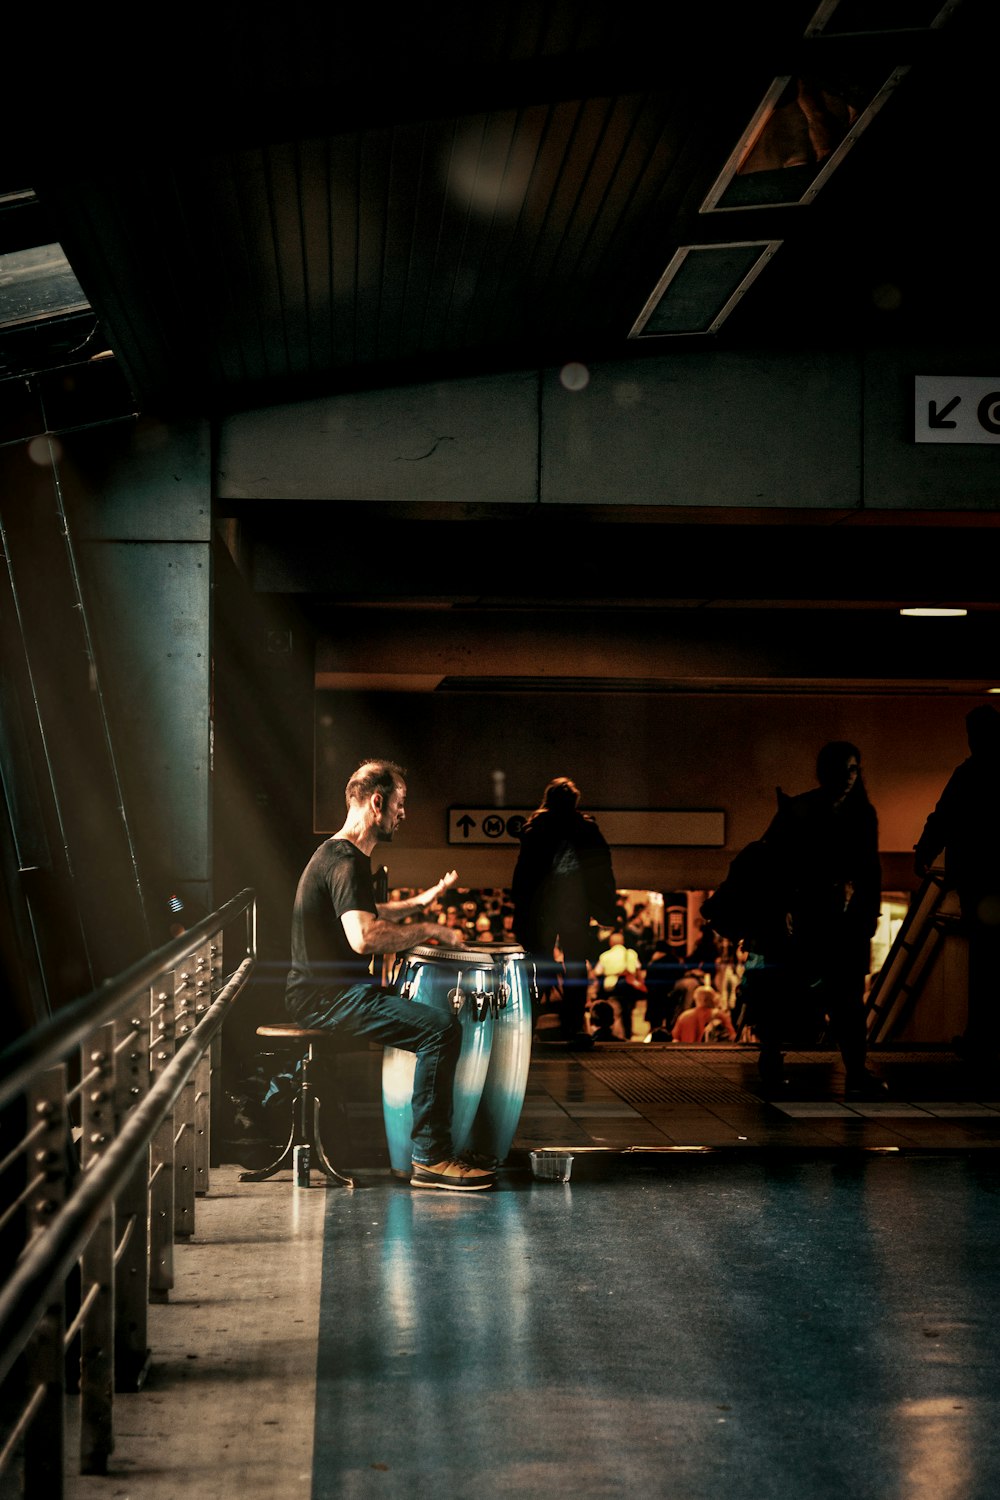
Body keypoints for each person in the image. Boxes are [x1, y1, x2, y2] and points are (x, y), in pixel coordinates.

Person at [284, 758, 496, 1193]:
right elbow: (363, 936)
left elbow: (371, 912)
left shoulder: (336, 855)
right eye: (401, 803)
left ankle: (424, 1150)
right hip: (327, 1000)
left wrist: (426, 899)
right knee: (441, 1030)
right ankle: (431, 1158)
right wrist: (433, 930)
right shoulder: (346, 861)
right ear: (377, 802)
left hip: (327, 994)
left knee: (427, 1022)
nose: (405, 812)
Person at [762, 740, 887, 1099]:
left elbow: (870, 869)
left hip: (839, 920)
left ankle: (848, 1067)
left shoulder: (837, 810)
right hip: (814, 916)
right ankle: (782, 1060)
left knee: (845, 1000)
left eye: (854, 769)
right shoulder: (844, 811)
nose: (850, 777)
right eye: (844, 769)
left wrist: (868, 913)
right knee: (811, 994)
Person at [913, 704, 1000, 1060]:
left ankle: (981, 1033)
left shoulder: (968, 774)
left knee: (983, 958)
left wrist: (925, 852)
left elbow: (943, 817)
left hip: (978, 879)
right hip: (989, 877)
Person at [511, 776, 618, 1043]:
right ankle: (573, 1024)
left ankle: (531, 1019)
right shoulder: (586, 827)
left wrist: (520, 906)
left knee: (537, 963)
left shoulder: (535, 827)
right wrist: (605, 906)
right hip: (575, 904)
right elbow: (602, 868)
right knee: (575, 963)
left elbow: (524, 873)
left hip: (541, 907)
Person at [592, 930, 644, 1040]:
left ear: (611, 943)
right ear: (623, 942)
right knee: (628, 1012)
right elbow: (638, 970)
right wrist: (640, 983)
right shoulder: (631, 954)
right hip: (628, 986)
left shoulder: (605, 956)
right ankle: (628, 1035)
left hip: (612, 988)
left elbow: (597, 972)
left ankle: (615, 1035)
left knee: (615, 1012)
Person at [671, 984, 737, 1043]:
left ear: (696, 998)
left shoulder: (684, 1016)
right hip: (710, 1054)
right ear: (712, 998)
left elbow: (675, 1039)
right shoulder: (720, 1015)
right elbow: (732, 1037)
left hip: (687, 1054)